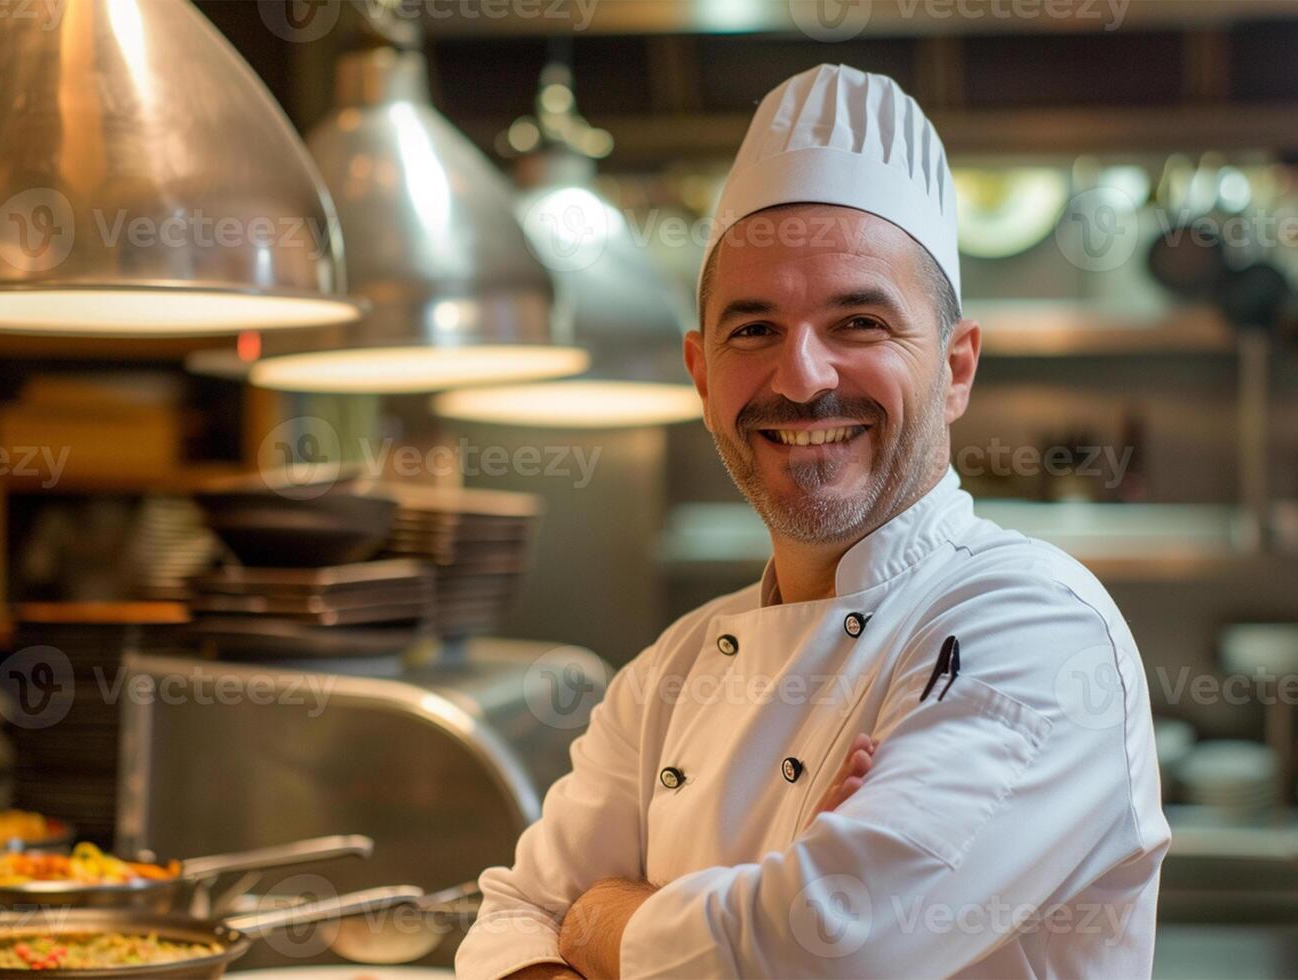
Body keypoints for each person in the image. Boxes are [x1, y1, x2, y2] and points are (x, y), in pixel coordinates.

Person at [455, 63, 1169, 980]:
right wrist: (742, 920)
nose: (801, 378)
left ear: (955, 369)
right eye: (752, 329)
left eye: (859, 322)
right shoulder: (667, 676)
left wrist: (603, 922)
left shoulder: (1034, 625)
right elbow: (512, 915)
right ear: (702, 372)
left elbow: (834, 944)